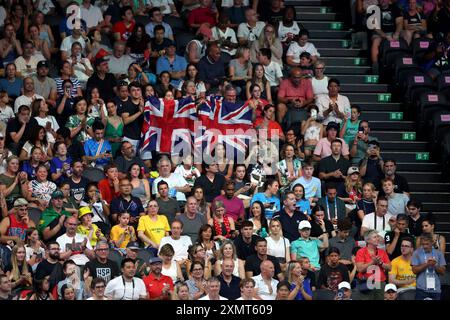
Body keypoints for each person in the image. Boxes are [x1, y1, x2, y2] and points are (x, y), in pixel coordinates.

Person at [355, 229, 391, 300]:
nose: (378, 239)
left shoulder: (382, 252)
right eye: (375, 237)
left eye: (378, 236)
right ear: (368, 240)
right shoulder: (361, 252)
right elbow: (360, 269)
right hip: (365, 282)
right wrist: (372, 262)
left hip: (380, 282)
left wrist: (381, 263)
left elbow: (389, 267)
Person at [412, 233, 447, 300]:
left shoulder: (439, 253)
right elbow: (414, 270)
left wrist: (434, 265)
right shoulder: (416, 253)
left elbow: (443, 272)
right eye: (423, 244)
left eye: (427, 244)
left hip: (436, 289)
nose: (425, 246)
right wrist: (427, 264)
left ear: (432, 242)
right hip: (421, 289)